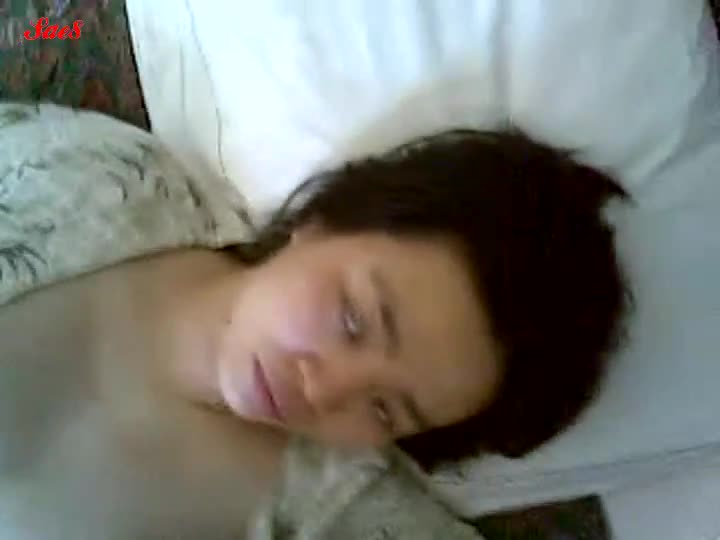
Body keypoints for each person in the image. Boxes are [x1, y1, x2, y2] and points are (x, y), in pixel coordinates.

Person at [0, 128, 630, 538]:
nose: (325, 393)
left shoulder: (346, 518)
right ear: (322, 221)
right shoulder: (99, 179)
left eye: (385, 409)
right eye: (354, 321)